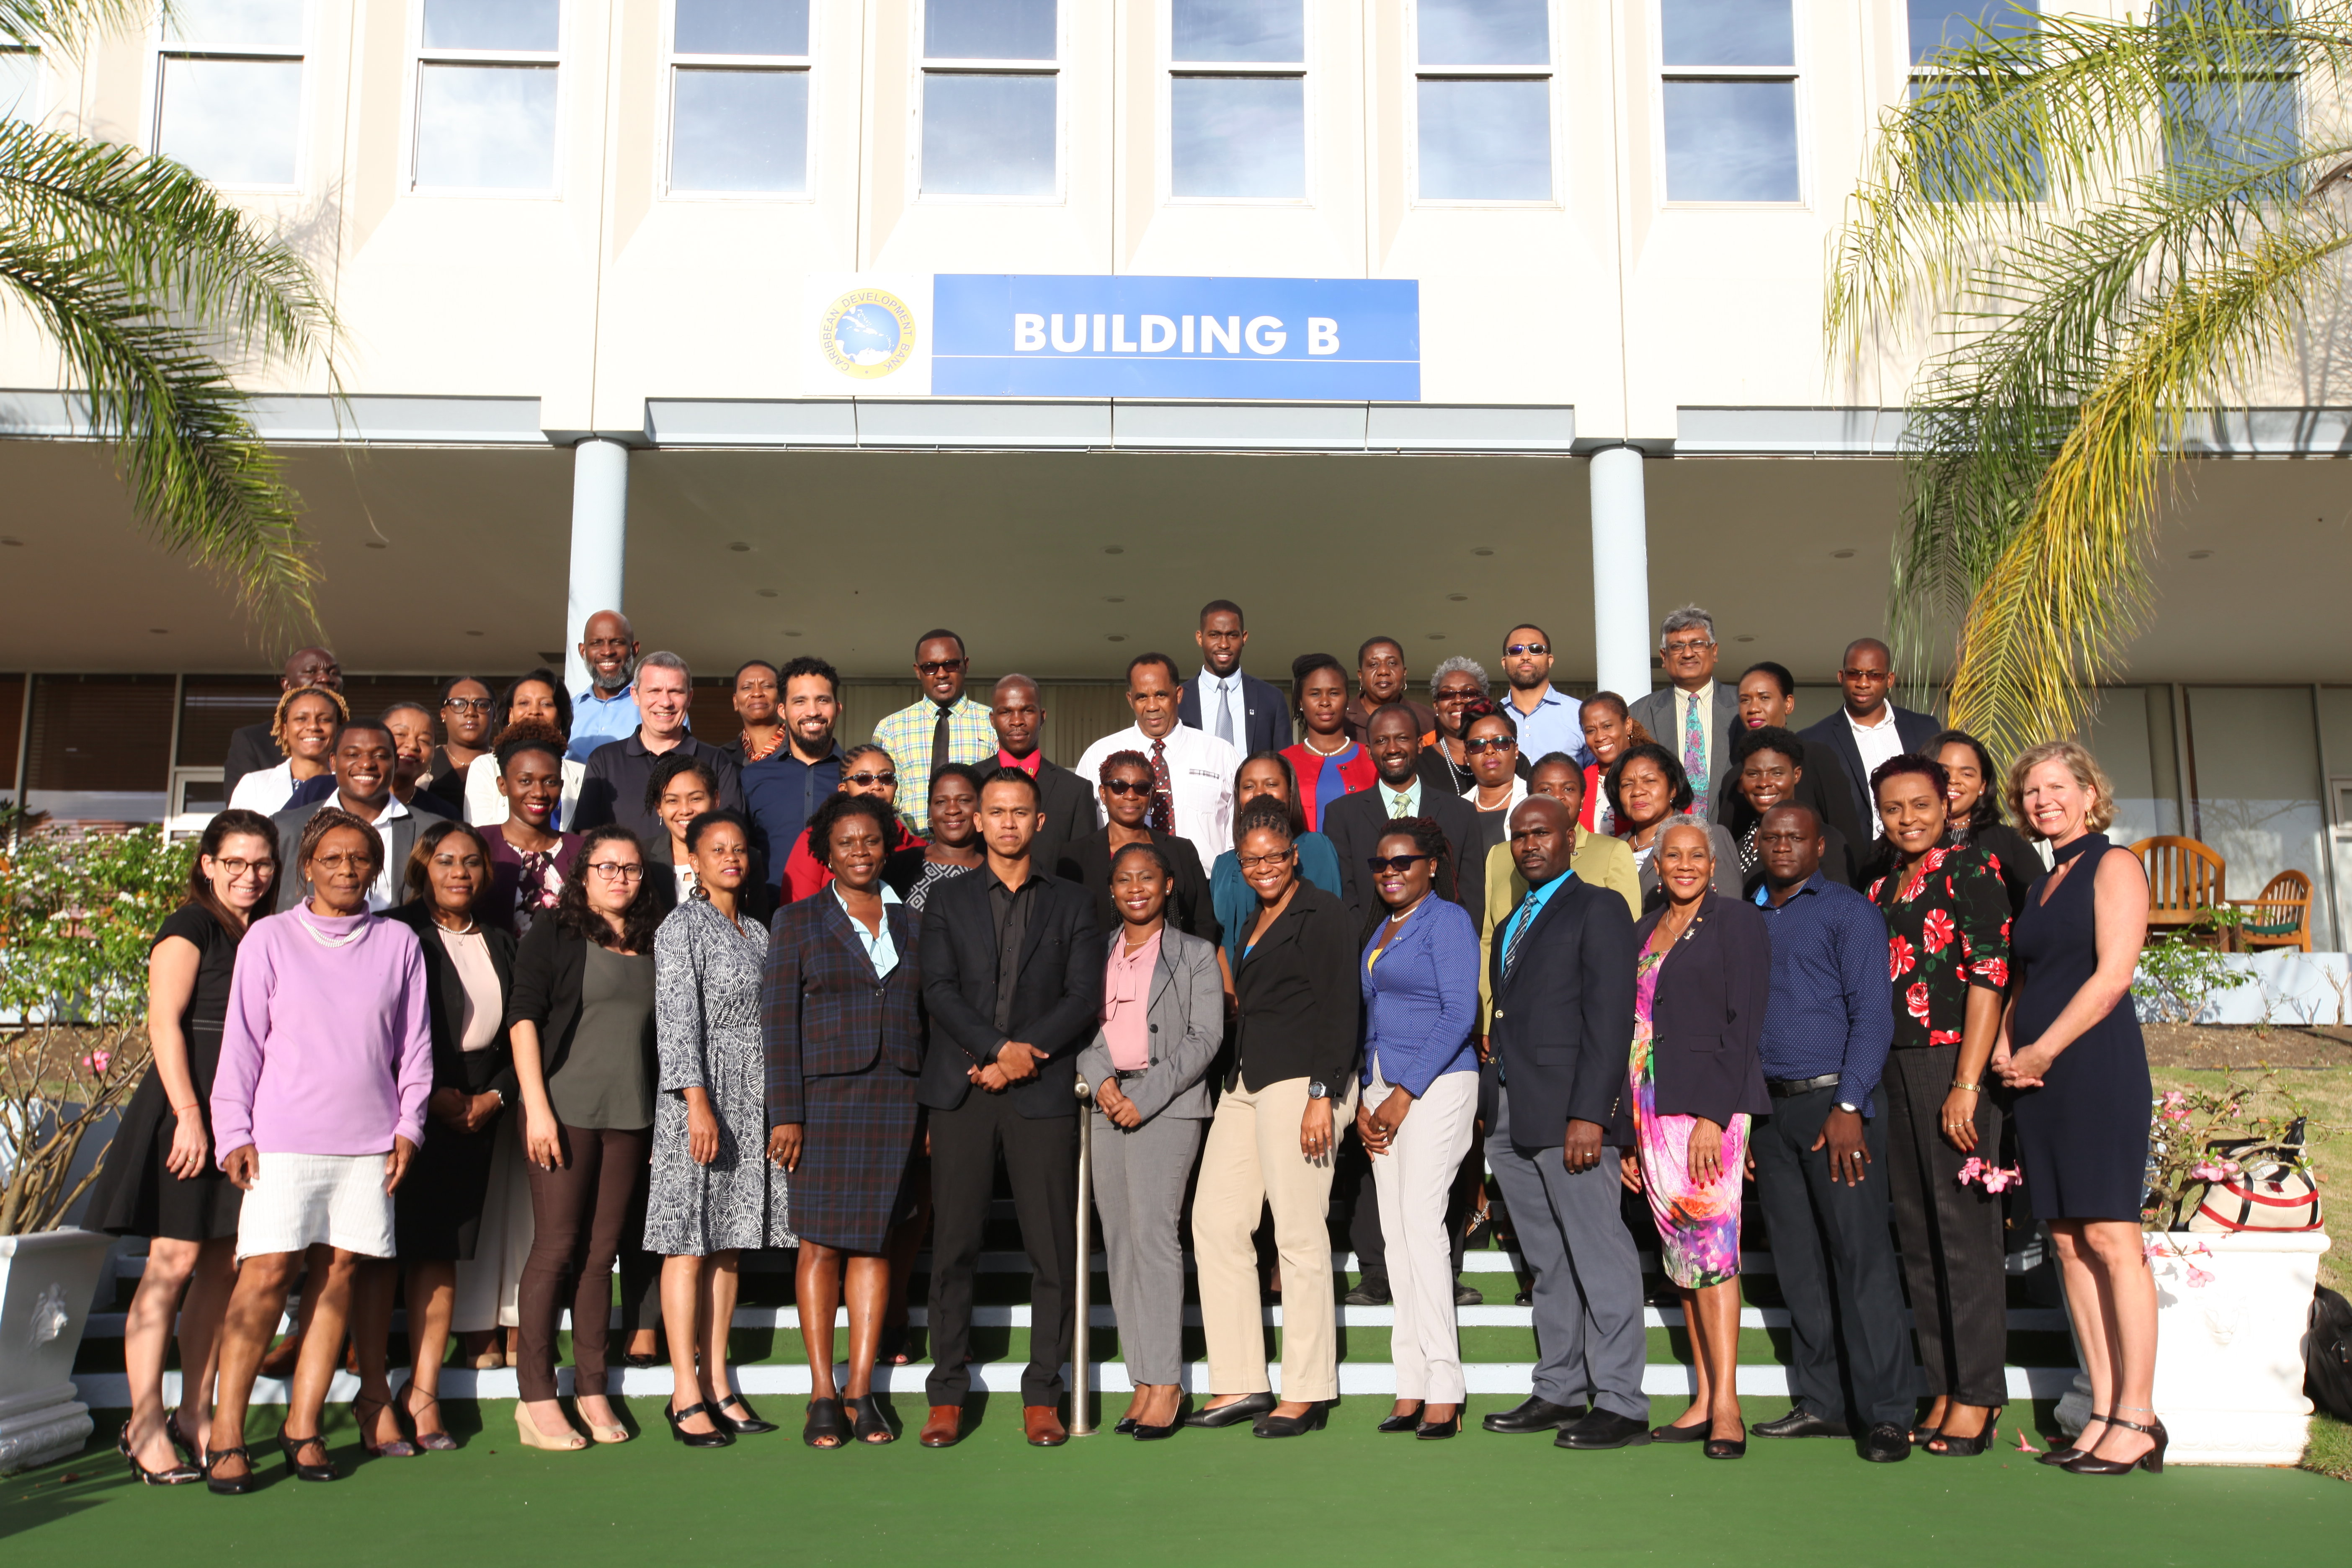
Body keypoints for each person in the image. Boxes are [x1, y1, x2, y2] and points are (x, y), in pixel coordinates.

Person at [201, 809, 431, 1491]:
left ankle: (303, 1427)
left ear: (376, 867)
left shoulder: (398, 943)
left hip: (368, 1144)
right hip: (282, 1139)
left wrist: (410, 1127)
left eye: (360, 858)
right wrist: (231, 1129)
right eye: (332, 858)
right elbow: (241, 1042)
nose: (347, 869)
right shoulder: (270, 938)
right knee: (267, 1275)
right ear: (307, 865)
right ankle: (226, 1431)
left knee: (337, 1281)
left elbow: (415, 1048)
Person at [86, 810, 278, 1484]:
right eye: (235, 863)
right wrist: (190, 1117)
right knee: (174, 1259)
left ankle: (195, 1415)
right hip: (188, 1106)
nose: (249, 876)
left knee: (223, 1266)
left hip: (248, 1115)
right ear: (206, 863)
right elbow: (163, 1023)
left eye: (261, 864)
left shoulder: (266, 931)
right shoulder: (189, 925)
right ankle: (143, 1422)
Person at [916, 768, 1102, 1449]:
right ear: (980, 819)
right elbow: (936, 987)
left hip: (1041, 1092)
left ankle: (1042, 1394)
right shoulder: (948, 898)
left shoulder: (1076, 903)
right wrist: (997, 1048)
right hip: (963, 1086)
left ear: (1039, 820)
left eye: (1018, 811)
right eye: (994, 811)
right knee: (955, 1247)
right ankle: (946, 1394)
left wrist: (1025, 1054)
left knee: (1051, 1252)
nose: (1005, 823)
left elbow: (1083, 996)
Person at [1996, 741, 2163, 1476]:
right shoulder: (2041, 882)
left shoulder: (2114, 864)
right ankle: (2100, 1409)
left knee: (2112, 1237)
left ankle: (2139, 1414)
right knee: (2065, 1241)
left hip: (2093, 1067)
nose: (2042, 800)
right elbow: (2026, 978)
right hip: (2036, 1080)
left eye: (2056, 786)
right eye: (2030, 790)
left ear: (2091, 793)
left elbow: (2111, 977)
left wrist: (2042, 1049)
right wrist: (2006, 1046)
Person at [1476, 795, 1648, 1448]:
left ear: (1571, 839)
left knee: (1598, 1254)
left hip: (1572, 1114)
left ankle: (1623, 1402)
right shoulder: (1518, 915)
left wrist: (1592, 1115)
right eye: (1518, 837)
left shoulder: (1598, 907)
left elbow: (1611, 1020)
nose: (1528, 846)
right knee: (1548, 1260)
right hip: (1514, 1112)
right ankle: (1559, 1387)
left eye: (1540, 833)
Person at [1746, 802, 1913, 1461]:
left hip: (1835, 1111)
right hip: (1768, 1114)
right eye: (1772, 837)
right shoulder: (1745, 917)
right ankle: (1822, 1403)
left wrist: (1850, 1105)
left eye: (1797, 837)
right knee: (1799, 1265)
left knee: (1861, 1259)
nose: (1782, 846)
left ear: (1819, 847)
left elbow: (1873, 1015)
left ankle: (1888, 1413)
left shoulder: (1849, 911)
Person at [1186, 810, 1359, 1438]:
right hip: (1246, 1080)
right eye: (1251, 860)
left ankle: (1307, 1391)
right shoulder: (1254, 917)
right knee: (1216, 1221)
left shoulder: (1325, 914)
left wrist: (1324, 1093)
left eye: (1274, 858)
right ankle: (1242, 1380)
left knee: (1298, 1233)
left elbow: (1342, 1007)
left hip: (1303, 1083)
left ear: (1295, 857)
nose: (1263, 869)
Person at [766, 792, 928, 1447]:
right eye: (847, 843)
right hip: (824, 1102)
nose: (860, 852)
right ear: (825, 853)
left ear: (887, 846)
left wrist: (931, 1109)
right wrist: (788, 1114)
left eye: (871, 841)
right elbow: (779, 1023)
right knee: (821, 1244)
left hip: (898, 1098)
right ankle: (822, 1393)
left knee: (876, 1241)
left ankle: (861, 1391)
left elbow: (931, 1018)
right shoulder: (798, 922)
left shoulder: (915, 923)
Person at [1865, 753, 2014, 1458]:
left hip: (1951, 1061)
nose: (1908, 818)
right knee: (1920, 1239)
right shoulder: (1880, 880)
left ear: (1946, 801)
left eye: (1920, 804)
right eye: (1894, 808)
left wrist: (1966, 1082)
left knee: (1964, 1237)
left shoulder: (1970, 866)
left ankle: (1980, 1395)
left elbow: (1989, 973)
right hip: (1892, 1066)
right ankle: (1945, 1386)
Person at [508, 824, 662, 1453]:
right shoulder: (556, 933)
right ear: (583, 874)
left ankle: (592, 1387)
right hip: (563, 1111)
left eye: (629, 868)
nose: (620, 877)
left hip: (629, 1115)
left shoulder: (655, 941)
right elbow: (523, 1019)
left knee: (603, 1257)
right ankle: (537, 1397)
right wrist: (536, 1109)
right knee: (557, 1249)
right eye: (607, 867)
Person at [1623, 821, 1771, 1459]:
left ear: (1714, 865)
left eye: (1695, 857)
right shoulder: (1642, 931)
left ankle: (1729, 1407)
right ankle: (1705, 1398)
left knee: (1712, 1253)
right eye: (1671, 856)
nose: (1683, 866)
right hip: (1650, 1109)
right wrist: (1626, 1132)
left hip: (1708, 1109)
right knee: (1684, 1259)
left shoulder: (1738, 923)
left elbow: (1744, 1026)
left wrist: (1715, 1113)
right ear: (1656, 865)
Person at [647, 809, 790, 1448]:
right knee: (688, 1241)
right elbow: (676, 1023)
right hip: (699, 1099)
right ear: (695, 862)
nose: (731, 858)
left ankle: (721, 1382)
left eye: (739, 849)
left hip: (751, 1098)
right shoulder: (680, 928)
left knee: (729, 1243)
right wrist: (697, 1103)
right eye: (717, 850)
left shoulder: (759, 931)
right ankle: (684, 1392)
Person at [1073, 842, 1222, 1440]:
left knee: (1156, 1237)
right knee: (1121, 1240)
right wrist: (1101, 1079)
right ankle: (1142, 1379)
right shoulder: (1095, 954)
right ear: (1112, 891)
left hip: (1169, 1105)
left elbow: (1205, 1037)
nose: (1136, 888)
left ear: (1167, 888)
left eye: (1148, 879)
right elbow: (1082, 1028)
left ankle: (1168, 1381)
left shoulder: (1196, 955)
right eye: (1124, 880)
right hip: (1108, 1103)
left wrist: (1146, 1095)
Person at [383, 820, 517, 1453]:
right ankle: (370, 1394)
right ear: (422, 867)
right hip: (399, 1106)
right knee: (380, 1254)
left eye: (471, 862)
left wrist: (495, 1096)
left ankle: (426, 1393)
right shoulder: (396, 930)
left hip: (477, 1109)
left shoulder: (502, 938)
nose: (459, 872)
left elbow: (527, 1025)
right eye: (445, 861)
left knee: (439, 1255)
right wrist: (427, 1094)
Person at [1354, 819, 1480, 1439]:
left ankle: (1446, 1386)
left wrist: (1403, 1094)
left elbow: (1461, 1012)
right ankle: (1411, 1382)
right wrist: (1363, 1094)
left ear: (1431, 864)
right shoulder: (1382, 928)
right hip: (1382, 1088)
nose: (1392, 873)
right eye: (1381, 865)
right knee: (1396, 1237)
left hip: (1437, 1085)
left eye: (1403, 862)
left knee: (1422, 1226)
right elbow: (1372, 1016)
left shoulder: (1448, 920)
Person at [1479, 754, 1642, 1033]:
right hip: (1508, 1018)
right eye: (1546, 790)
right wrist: (1486, 1018)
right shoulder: (1501, 856)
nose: (1558, 798)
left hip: (1572, 1020)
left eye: (1568, 789)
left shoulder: (1613, 852)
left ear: (1582, 797)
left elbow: (1627, 942)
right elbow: (1489, 940)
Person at [1074, 652, 1240, 871]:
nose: (1152, 706)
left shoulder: (1220, 754)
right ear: (1130, 699)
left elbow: (1236, 830)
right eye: (1142, 697)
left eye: (1161, 695)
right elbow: (1086, 833)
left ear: (1178, 695)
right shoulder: (1098, 756)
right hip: (1124, 889)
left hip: (1204, 889)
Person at [1322, 703, 1482, 928]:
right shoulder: (1341, 815)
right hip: (1369, 954)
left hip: (1443, 953)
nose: (1392, 748)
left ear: (1419, 745)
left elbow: (1471, 898)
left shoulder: (1461, 812)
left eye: (1402, 738)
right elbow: (1345, 898)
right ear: (1369, 751)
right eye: (1381, 741)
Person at [271, 719, 449, 912]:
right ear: (333, 761)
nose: (366, 764)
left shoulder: (433, 832)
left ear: (396, 763)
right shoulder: (285, 829)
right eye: (353, 754)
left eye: (380, 755)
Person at [575, 651, 745, 842]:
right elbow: (587, 838)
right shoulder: (604, 761)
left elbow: (730, 833)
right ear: (635, 696)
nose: (665, 703)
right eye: (654, 691)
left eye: (675, 692)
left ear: (689, 698)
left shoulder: (717, 761)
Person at [1057, 750, 1219, 944]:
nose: (1131, 795)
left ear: (1152, 795)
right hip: (1098, 969)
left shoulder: (1182, 851)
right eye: (1119, 787)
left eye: (1142, 788)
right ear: (1103, 793)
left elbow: (1204, 922)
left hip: (1176, 968)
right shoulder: (1074, 856)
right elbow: (1063, 926)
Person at [1208, 757, 1344, 970]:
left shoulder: (1315, 848)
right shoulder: (1223, 865)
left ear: (1290, 793)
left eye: (1271, 784)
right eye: (1249, 786)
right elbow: (1223, 942)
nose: (1260, 793)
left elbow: (1327, 933)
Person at [1799, 638, 1940, 840]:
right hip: (1853, 865)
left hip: (1922, 855)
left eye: (1874, 675)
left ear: (1890, 679)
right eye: (1854, 674)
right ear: (1841, 676)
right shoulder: (1813, 740)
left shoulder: (1925, 728)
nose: (1863, 683)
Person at [871, 630, 995, 833]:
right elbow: (881, 800)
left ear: (966, 665)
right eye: (930, 667)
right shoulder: (890, 729)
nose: (942, 674)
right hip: (911, 853)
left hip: (976, 851)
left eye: (951, 664)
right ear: (918, 671)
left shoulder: (992, 723)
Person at [1731, 661, 1864, 847]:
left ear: (1788, 704)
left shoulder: (1816, 758)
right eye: (1745, 700)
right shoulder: (1733, 775)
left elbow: (1848, 841)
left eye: (1764, 698)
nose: (1753, 708)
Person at [743, 655, 847, 892]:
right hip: (769, 917)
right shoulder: (752, 778)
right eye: (800, 701)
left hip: (842, 917)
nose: (813, 711)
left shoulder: (856, 777)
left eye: (823, 700)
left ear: (838, 708)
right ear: (783, 710)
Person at [1627, 606, 1740, 817]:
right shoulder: (1638, 714)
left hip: (1734, 838)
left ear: (1714, 651)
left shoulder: (1744, 706)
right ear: (1664, 656)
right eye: (1677, 647)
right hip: (1664, 840)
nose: (1688, 654)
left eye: (1697, 644)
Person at [778, 743, 923, 905]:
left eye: (886, 778)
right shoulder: (815, 840)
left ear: (895, 786)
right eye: (863, 779)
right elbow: (798, 914)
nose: (876, 786)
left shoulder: (917, 847)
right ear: (844, 789)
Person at [1723, 727, 1857, 892]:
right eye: (1753, 774)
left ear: (1797, 775)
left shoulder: (1822, 838)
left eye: (1777, 773)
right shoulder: (1739, 843)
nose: (1764, 783)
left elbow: (1839, 906)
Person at [1606, 742, 1739, 906]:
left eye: (1649, 781)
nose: (1637, 791)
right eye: (1627, 784)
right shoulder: (1611, 849)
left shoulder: (1709, 836)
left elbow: (1732, 910)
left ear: (1673, 789)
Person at [988, 673, 1093, 874]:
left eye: (1027, 711)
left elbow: (1084, 870)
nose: (1017, 721)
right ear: (993, 720)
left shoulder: (1076, 791)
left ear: (1042, 717)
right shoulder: (972, 782)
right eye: (1006, 712)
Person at [481, 725, 581, 935]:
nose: (539, 792)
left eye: (550, 782)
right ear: (503, 785)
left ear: (561, 786)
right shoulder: (478, 843)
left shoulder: (584, 851)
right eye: (525, 781)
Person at [1930, 728, 2041, 915]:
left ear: (1982, 786)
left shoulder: (2011, 844)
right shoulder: (1898, 843)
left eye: (1967, 774)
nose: (1954, 781)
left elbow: (2036, 914)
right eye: (1944, 771)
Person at [464, 671, 585, 830]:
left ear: (560, 717)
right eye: (524, 703)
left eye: (546, 704)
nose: (534, 711)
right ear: (511, 715)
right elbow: (481, 835)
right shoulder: (485, 767)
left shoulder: (583, 774)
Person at [220, 646, 341, 798]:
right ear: (287, 685)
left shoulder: (358, 739)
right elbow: (241, 817)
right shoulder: (253, 741)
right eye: (311, 672)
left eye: (334, 673)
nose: (325, 678)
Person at [1179, 598, 1287, 755]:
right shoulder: (1178, 700)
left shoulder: (1271, 698)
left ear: (1244, 638)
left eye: (1232, 635)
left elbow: (1284, 766)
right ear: (1200, 638)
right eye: (1215, 635)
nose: (1224, 644)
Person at [1283, 652, 1377, 830]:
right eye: (1315, 694)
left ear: (1347, 699)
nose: (1325, 702)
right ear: (1301, 702)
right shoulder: (1283, 763)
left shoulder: (1373, 758)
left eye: (1334, 693)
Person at [224, 685, 345, 815]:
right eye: (301, 719)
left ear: (338, 730)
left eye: (324, 720)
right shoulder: (254, 785)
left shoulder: (350, 785)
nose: (313, 726)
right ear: (284, 730)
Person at [890, 761, 987, 911]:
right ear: (931, 809)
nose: (953, 810)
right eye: (941, 802)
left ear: (981, 806)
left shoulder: (996, 871)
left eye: (963, 800)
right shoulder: (902, 865)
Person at [1496, 623, 1591, 766]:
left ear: (1550, 660)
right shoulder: (1491, 716)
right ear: (1504, 663)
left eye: (1536, 649)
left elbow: (1596, 779)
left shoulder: (1580, 714)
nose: (1526, 657)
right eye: (1516, 650)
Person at [645, 752, 722, 912]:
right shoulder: (642, 858)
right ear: (659, 808)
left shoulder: (742, 858)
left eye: (695, 799)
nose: (685, 810)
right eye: (673, 801)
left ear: (715, 800)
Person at [568, 609, 642, 762]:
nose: (607, 652)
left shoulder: (658, 707)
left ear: (634, 649)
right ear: (583, 651)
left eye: (617, 642)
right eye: (597, 643)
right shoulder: (569, 712)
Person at [415, 676, 495, 813]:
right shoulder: (423, 761)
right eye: (459, 704)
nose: (470, 712)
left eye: (482, 704)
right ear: (443, 714)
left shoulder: (506, 763)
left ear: (494, 716)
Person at [1575, 692, 1649, 834]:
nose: (1600, 737)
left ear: (1627, 725)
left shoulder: (1656, 772)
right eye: (1590, 731)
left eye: (1607, 726)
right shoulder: (1579, 783)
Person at [1459, 702, 1527, 851]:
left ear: (1516, 750)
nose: (1489, 751)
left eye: (1500, 742)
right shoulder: (1455, 811)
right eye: (1477, 745)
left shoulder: (1535, 799)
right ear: (1467, 757)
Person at [1343, 636, 1438, 743]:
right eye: (1373, 664)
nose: (1383, 671)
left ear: (1404, 673)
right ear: (1361, 676)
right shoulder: (1342, 720)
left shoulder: (1429, 721)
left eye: (1392, 663)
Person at [1421, 656, 1493, 793]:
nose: (1458, 701)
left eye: (1468, 693)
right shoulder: (1418, 764)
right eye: (1447, 694)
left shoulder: (1506, 753)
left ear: (1484, 701)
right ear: (1436, 706)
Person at [725, 660, 786, 767]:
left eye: (767, 686)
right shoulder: (721, 759)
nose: (757, 694)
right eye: (747, 688)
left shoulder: (802, 751)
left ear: (781, 697)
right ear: (735, 702)